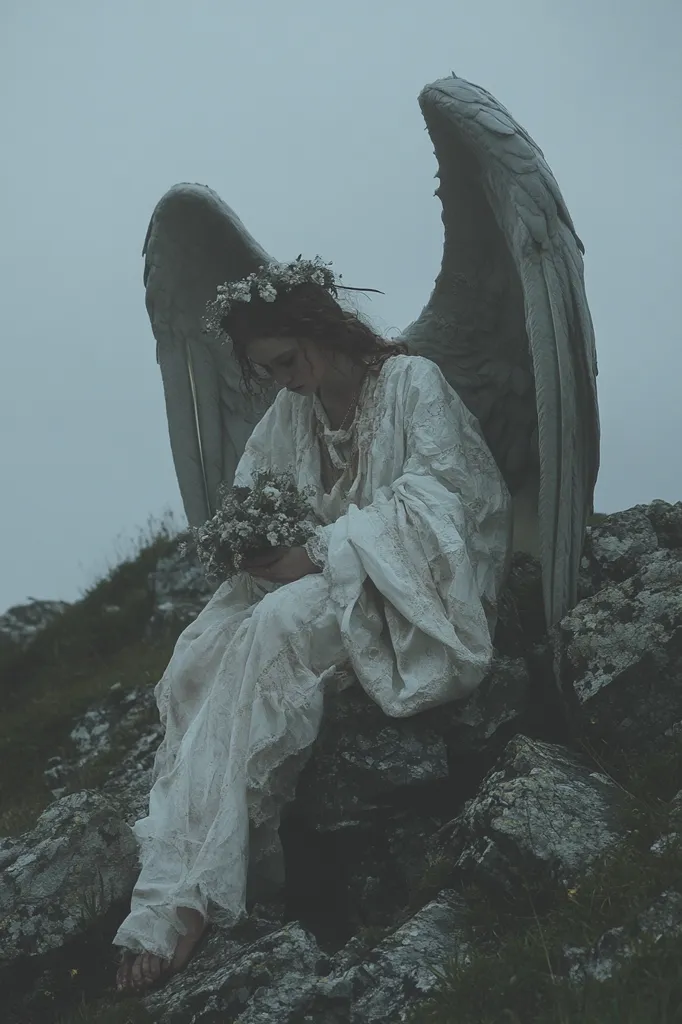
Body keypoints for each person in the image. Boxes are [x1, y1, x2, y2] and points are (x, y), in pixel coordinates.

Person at [114, 259, 512, 992]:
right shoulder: (291, 414)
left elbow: (452, 498)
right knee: (203, 653)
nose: (286, 380)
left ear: (319, 330)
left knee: (274, 627)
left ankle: (194, 896)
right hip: (326, 574)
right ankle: (172, 880)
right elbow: (257, 492)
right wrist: (259, 545)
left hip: (402, 580)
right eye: (269, 370)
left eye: (289, 361)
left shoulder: (411, 382)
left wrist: (324, 549)